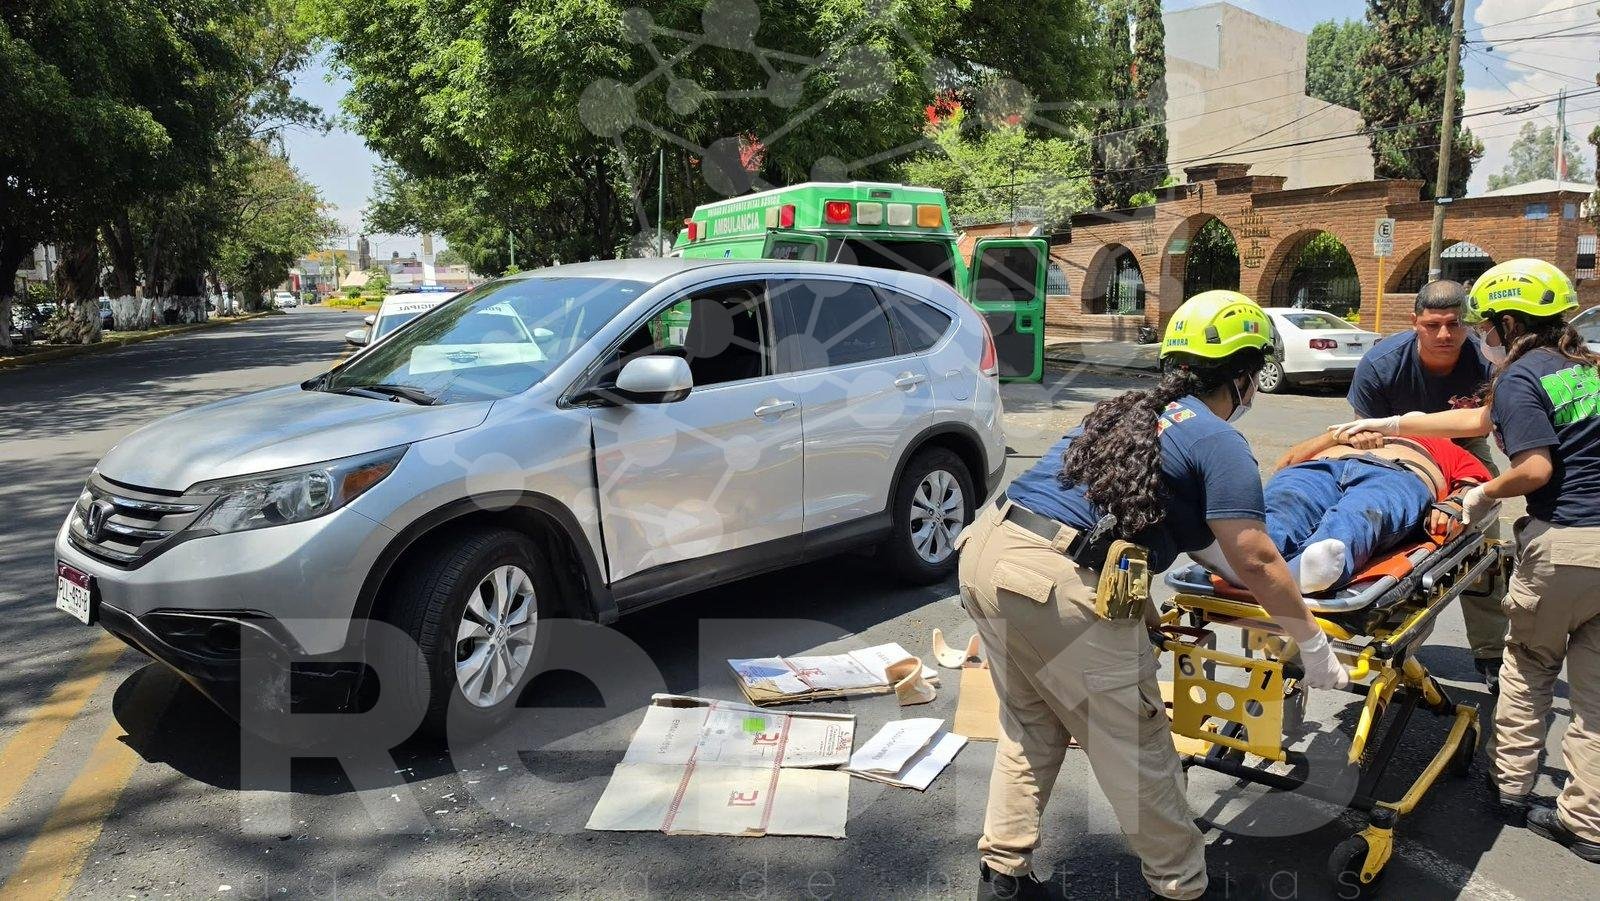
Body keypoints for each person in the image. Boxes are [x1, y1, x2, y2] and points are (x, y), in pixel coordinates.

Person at [957, 291, 1349, 901]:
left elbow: (1155, 536)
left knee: (1031, 727)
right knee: (1138, 751)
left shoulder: (1128, 413)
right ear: (1245, 377)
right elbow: (1255, 556)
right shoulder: (1217, 441)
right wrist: (1311, 642)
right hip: (1053, 584)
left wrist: (1147, 612)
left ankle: (1002, 874)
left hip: (988, 551)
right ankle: (1183, 887)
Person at [1331, 258, 1600, 865]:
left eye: (1479, 323)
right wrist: (1392, 422)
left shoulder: (1516, 373)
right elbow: (1482, 418)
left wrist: (1480, 493)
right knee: (1595, 695)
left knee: (1529, 664)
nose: (1472, 333)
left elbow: (1532, 468)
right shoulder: (1585, 370)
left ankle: (1509, 791)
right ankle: (1587, 824)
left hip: (1566, 542)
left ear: (1508, 320)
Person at [1346, 279, 1507, 690]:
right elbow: (1363, 436)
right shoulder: (1381, 365)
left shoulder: (1487, 362)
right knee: (1403, 542)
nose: (1444, 335)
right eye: (1433, 324)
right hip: (1400, 450)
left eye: (1454, 324)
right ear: (1414, 322)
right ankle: (1398, 641)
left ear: (1467, 325)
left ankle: (1491, 654)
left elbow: (1488, 422)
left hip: (1465, 446)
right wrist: (1364, 439)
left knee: (1483, 546)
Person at [1198, 432, 1489, 592]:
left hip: (1397, 475)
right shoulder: (1355, 429)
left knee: (1358, 514)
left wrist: (1453, 503)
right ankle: (1244, 560)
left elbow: (1474, 487)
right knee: (1285, 505)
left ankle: (1307, 572)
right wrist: (1337, 436)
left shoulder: (1449, 449)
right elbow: (1285, 462)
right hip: (1322, 466)